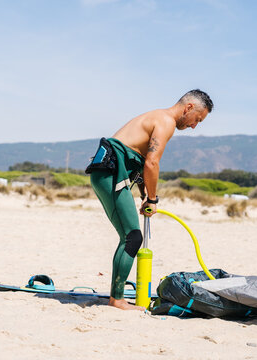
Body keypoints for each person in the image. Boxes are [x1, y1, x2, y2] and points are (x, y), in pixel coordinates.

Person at [86, 89, 213, 310]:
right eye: (197, 120)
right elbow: (151, 163)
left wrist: (145, 195)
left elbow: (140, 158)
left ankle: (117, 298)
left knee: (131, 237)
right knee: (132, 237)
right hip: (110, 173)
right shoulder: (165, 121)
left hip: (110, 173)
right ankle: (117, 300)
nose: (194, 126)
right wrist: (153, 200)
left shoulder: (158, 118)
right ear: (189, 107)